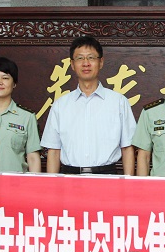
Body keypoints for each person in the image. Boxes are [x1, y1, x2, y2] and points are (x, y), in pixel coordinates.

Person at [41, 36, 136, 175]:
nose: (86, 63)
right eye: (80, 58)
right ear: (72, 64)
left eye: (91, 57)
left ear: (101, 62)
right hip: (70, 177)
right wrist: (52, 184)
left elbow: (127, 148)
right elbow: (54, 150)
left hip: (107, 176)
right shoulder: (60, 105)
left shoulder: (119, 102)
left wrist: (128, 183)